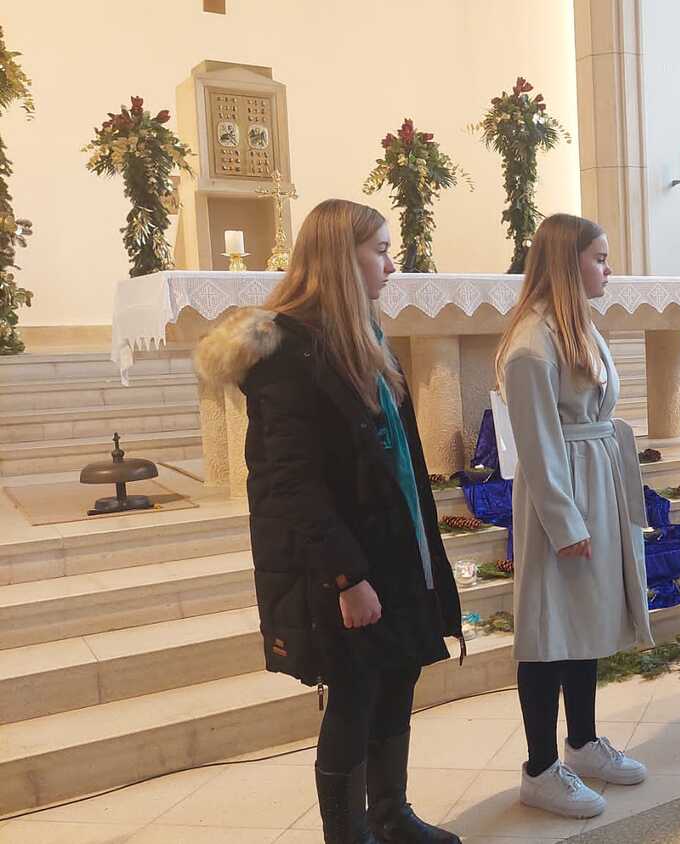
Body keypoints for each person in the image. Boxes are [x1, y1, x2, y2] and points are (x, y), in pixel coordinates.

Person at [194, 198, 463, 844]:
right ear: (343, 258)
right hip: (343, 562)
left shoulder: (364, 336)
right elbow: (290, 482)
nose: (392, 266)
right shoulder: (288, 353)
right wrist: (347, 577)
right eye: (381, 252)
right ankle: (348, 834)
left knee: (397, 672)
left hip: (393, 546)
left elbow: (398, 456)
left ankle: (391, 815)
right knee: (355, 692)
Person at [493, 213, 652, 819]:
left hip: (594, 478)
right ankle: (539, 769)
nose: (608, 270)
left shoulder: (575, 324)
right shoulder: (532, 344)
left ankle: (582, 743)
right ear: (568, 262)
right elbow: (536, 446)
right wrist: (565, 524)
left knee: (583, 617)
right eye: (599, 259)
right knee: (548, 630)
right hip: (561, 492)